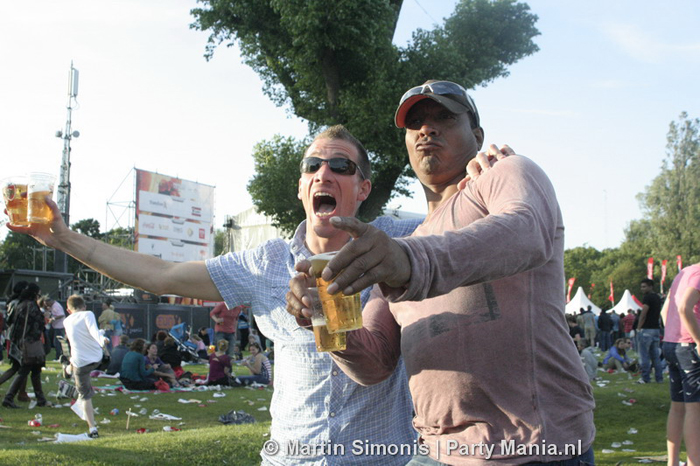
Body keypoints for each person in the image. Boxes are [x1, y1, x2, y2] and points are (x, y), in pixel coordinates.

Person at [7, 124, 497, 464]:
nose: (325, 173)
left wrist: (487, 171)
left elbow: (472, 220)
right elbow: (163, 275)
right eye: (313, 165)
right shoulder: (263, 264)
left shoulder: (399, 238)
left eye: (341, 166)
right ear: (303, 186)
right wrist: (64, 239)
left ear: (363, 188)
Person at [287, 80, 596, 464]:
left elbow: (527, 231)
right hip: (435, 452)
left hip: (534, 448)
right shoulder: (406, 244)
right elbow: (375, 363)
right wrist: (323, 319)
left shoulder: (505, 174)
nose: (427, 129)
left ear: (477, 135)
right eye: (415, 122)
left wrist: (410, 262)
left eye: (444, 118)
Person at [661, 263, 700, 466]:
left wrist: (673, 333)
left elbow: (666, 309)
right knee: (695, 408)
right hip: (689, 345)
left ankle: (673, 462)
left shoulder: (684, 273)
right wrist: (698, 340)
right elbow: (685, 307)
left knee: (678, 407)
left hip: (673, 343)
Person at [2, 283, 52, 409]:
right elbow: (36, 325)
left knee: (34, 370)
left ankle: (41, 399)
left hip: (20, 341)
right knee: (24, 370)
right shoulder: (31, 306)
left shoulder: (21, 304)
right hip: (30, 343)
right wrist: (44, 318)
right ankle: (9, 398)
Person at [63, 294, 105, 438]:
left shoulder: (66, 321)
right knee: (84, 393)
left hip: (79, 362)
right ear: (84, 306)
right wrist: (102, 339)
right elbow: (93, 330)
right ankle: (68, 368)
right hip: (95, 358)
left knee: (85, 396)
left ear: (68, 310)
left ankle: (92, 428)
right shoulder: (88, 314)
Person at [0, 281, 31, 402]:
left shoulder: (13, 303)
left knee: (21, 367)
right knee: (19, 367)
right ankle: (21, 393)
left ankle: (22, 393)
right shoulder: (19, 304)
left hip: (12, 337)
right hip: (17, 338)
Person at [637, 278, 664, 384]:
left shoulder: (647, 298)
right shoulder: (657, 297)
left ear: (650, 286)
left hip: (646, 329)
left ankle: (645, 378)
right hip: (656, 329)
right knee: (655, 356)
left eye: (644, 286)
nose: (642, 289)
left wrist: (639, 327)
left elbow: (644, 313)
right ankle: (659, 378)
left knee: (644, 355)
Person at [40, 296, 66, 361]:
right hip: (56, 326)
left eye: (46, 303)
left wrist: (53, 319)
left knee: (57, 343)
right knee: (56, 342)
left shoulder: (56, 306)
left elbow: (61, 314)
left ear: (50, 301)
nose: (46, 305)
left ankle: (59, 357)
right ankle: (59, 356)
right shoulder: (53, 306)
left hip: (59, 326)